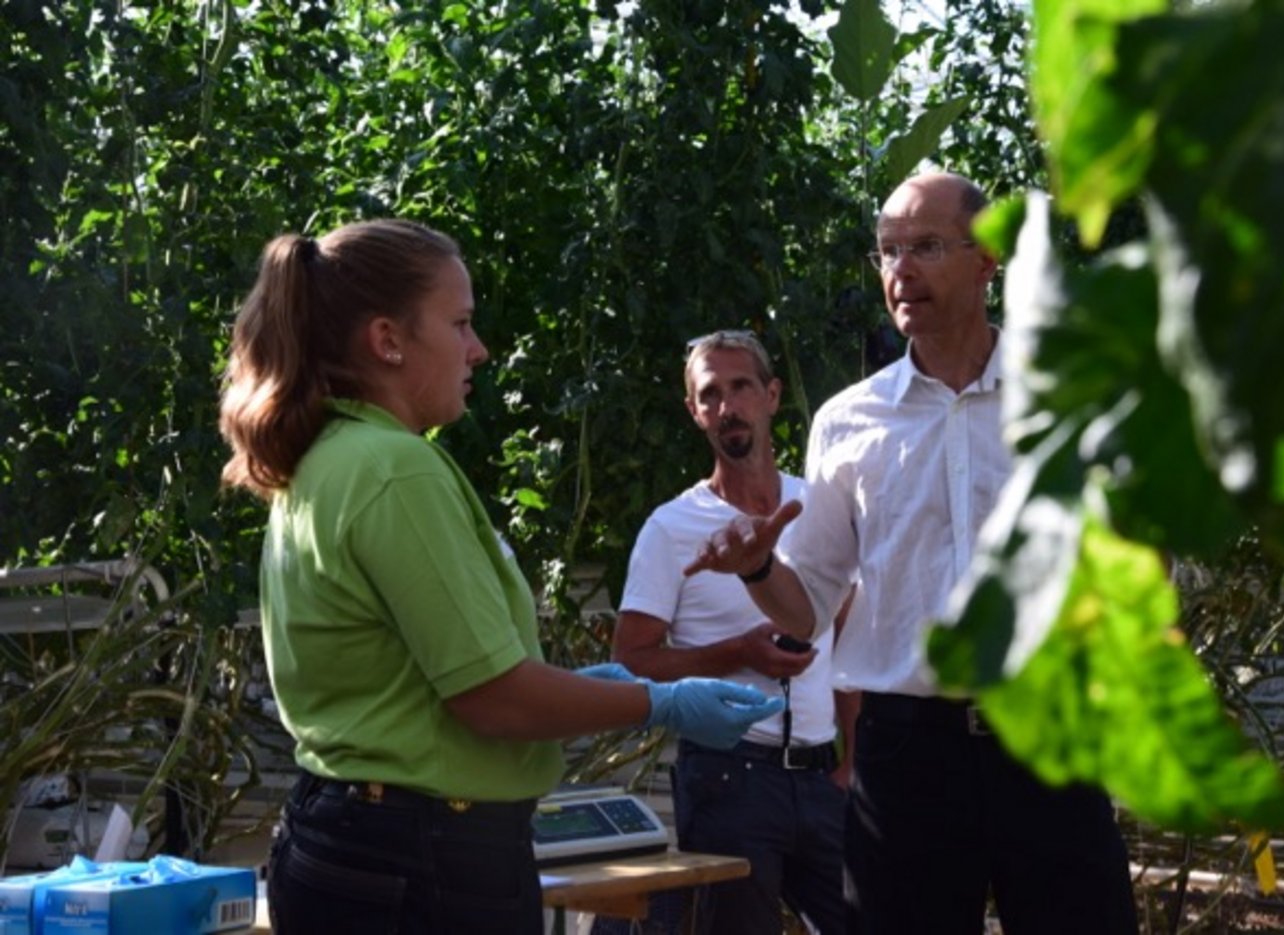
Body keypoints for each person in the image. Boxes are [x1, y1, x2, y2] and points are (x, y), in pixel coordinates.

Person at [217, 219, 783, 935]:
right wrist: (659, 702)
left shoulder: (332, 455)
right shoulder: (393, 467)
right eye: (459, 323)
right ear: (388, 339)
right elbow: (492, 700)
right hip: (421, 858)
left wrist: (585, 689)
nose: (478, 348)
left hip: (354, 838)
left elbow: (426, 680)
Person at [683, 172, 1138, 934]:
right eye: (888, 250)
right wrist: (759, 569)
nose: (901, 270)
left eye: (925, 246)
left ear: (987, 259)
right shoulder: (848, 422)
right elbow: (809, 605)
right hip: (907, 758)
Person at [612, 330, 856, 935]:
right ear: (695, 413)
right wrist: (735, 653)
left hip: (824, 776)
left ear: (772, 396)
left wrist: (855, 761)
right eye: (710, 394)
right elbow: (631, 663)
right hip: (728, 777)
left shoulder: (815, 509)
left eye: (741, 386)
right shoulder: (671, 527)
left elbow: (852, 642)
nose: (728, 406)